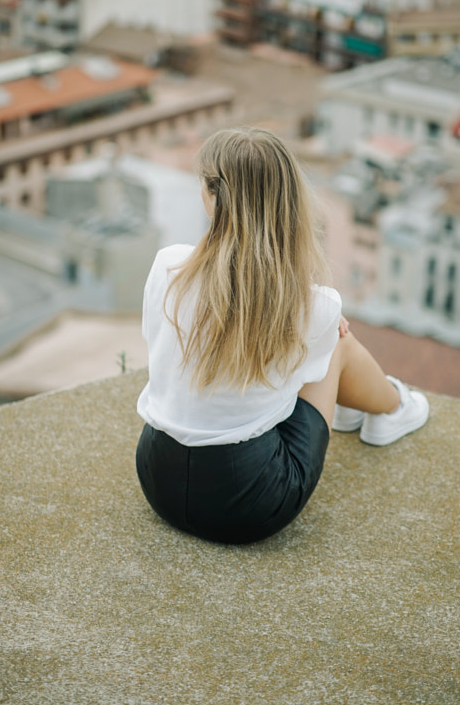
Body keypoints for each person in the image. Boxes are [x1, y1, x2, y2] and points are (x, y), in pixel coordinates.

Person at [136, 127, 428, 545]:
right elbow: (294, 383)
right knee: (337, 342)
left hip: (157, 478)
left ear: (212, 195)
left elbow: (158, 344)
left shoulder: (169, 266)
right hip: (247, 504)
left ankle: (367, 408)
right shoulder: (313, 304)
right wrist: (325, 326)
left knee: (311, 343)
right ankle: (394, 408)